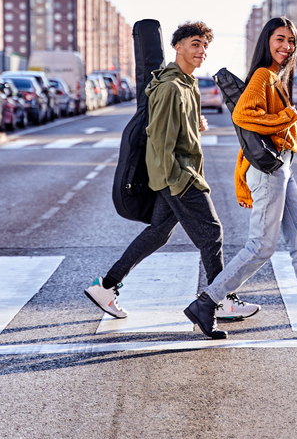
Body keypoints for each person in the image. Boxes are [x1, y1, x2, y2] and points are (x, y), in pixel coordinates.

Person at [183, 16, 297, 340]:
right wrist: (287, 116)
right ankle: (207, 302)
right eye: (280, 39)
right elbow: (242, 115)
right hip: (269, 170)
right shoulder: (263, 75)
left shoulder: (277, 76)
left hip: (282, 166)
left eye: (291, 41)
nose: (286, 46)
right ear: (267, 41)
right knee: (262, 245)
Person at [85, 21, 259, 323]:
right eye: (195, 44)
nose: (201, 51)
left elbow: (175, 131)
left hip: (177, 173)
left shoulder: (186, 84)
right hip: (179, 175)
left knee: (158, 234)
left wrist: (195, 126)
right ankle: (220, 300)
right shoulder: (171, 87)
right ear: (177, 47)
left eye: (205, 45)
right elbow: (160, 139)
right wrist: (177, 180)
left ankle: (106, 286)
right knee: (212, 234)